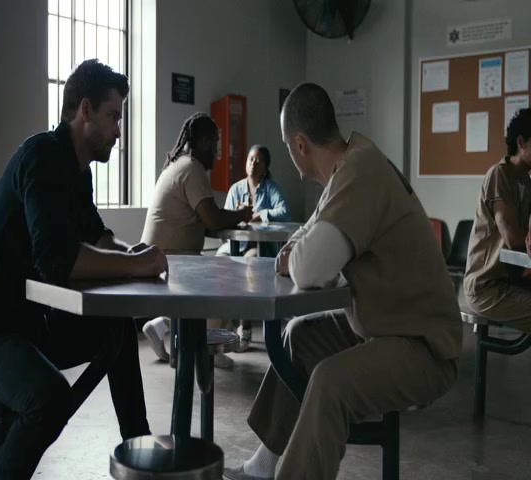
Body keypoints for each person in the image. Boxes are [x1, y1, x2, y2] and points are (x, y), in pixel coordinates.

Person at [225, 83, 462, 480]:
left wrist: (295, 257)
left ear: (300, 145)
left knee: (330, 383)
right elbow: (305, 235)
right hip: (383, 324)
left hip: (425, 346)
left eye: (286, 147)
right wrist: (296, 254)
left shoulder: (360, 171)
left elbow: (310, 268)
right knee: (298, 335)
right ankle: (263, 465)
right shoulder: (345, 171)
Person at [0, 60, 167, 480]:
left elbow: (98, 236)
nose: (118, 131)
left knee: (119, 329)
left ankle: (139, 456)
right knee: (48, 397)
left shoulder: (76, 169)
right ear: (85, 110)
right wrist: (135, 263)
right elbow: (57, 263)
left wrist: (137, 252)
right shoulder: (42, 156)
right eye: (113, 116)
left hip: (28, 326)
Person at [140, 113, 252, 368]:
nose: (217, 153)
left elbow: (205, 219)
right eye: (215, 144)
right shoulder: (192, 168)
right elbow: (213, 219)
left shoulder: (178, 165)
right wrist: (243, 214)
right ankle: (207, 349)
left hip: (159, 258)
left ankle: (163, 326)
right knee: (233, 277)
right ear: (203, 142)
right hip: (171, 259)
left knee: (221, 271)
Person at [216, 144, 290, 351]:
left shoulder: (270, 188)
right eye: (250, 159)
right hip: (234, 244)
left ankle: (244, 326)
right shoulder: (236, 189)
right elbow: (225, 218)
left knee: (249, 264)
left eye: (258, 161)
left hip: (258, 247)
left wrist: (260, 214)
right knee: (219, 263)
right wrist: (237, 215)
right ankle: (220, 325)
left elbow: (284, 211)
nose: (253, 164)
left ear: (266, 167)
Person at [464, 108, 531, 330]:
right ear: (521, 142)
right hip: (486, 287)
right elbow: (512, 238)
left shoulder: (526, 182)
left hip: (512, 281)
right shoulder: (499, 174)